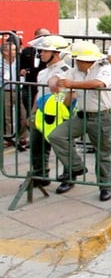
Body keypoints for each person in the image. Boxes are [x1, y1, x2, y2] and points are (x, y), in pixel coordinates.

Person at [49, 41, 111, 201]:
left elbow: (98, 84)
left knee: (103, 153)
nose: (76, 62)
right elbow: (62, 83)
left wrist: (72, 84)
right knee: (56, 136)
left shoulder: (104, 69)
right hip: (81, 115)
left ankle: (105, 186)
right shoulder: (75, 71)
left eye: (77, 59)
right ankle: (75, 168)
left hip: (100, 116)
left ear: (86, 61)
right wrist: (55, 84)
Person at [26, 34, 71, 186]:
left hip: (57, 114)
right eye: (41, 51)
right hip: (40, 113)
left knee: (62, 147)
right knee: (37, 146)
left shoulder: (66, 70)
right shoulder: (42, 72)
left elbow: (65, 94)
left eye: (45, 51)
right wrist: (32, 113)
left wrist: (59, 112)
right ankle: (40, 175)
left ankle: (68, 176)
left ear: (56, 53)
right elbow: (39, 93)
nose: (41, 54)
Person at [19, 28, 51, 122]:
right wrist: (22, 71)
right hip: (29, 86)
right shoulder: (27, 51)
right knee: (31, 115)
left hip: (44, 87)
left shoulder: (50, 52)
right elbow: (20, 68)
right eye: (44, 36)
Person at [2, 41, 29, 150]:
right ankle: (8, 137)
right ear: (5, 52)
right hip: (6, 91)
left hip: (19, 90)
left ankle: (22, 137)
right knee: (6, 115)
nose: (16, 51)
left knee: (23, 114)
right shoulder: (0, 63)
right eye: (13, 50)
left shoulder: (19, 61)